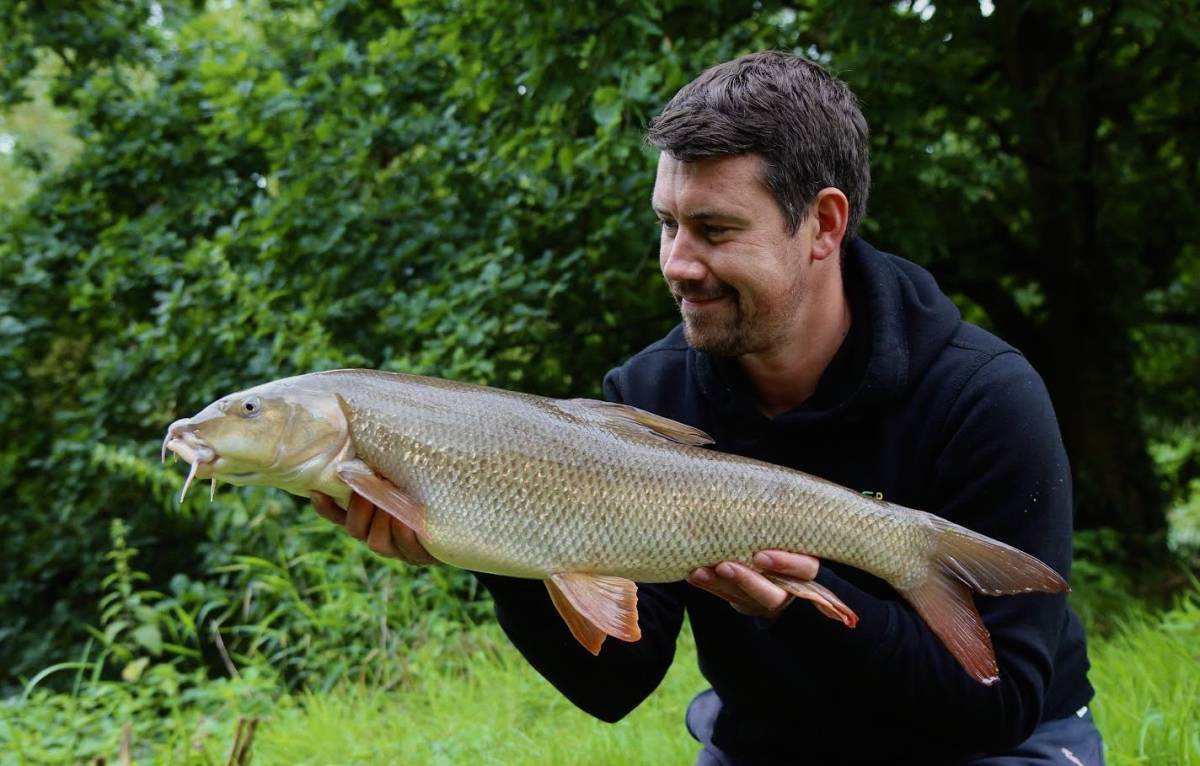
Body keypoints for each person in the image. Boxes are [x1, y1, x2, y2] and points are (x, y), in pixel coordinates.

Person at [312, 50, 1102, 765]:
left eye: (715, 230)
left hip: (989, 747)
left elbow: (998, 708)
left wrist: (804, 613)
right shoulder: (647, 398)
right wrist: (493, 541)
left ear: (822, 225)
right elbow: (616, 683)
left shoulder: (982, 395)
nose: (677, 265)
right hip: (771, 742)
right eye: (667, 224)